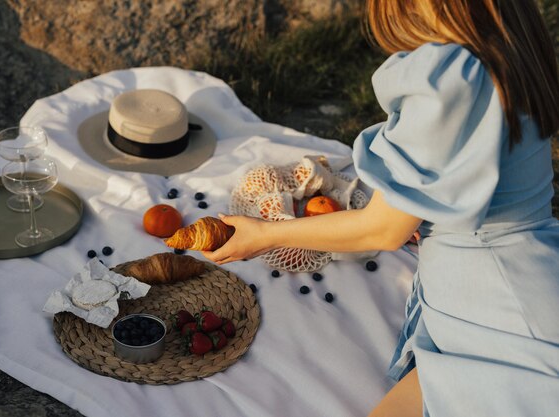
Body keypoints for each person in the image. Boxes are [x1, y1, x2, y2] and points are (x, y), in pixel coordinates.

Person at [203, 0, 559, 415]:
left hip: (498, 314)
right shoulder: (508, 41)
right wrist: (423, 209)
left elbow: (381, 230)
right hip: (515, 280)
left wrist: (264, 234)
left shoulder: (451, 75)